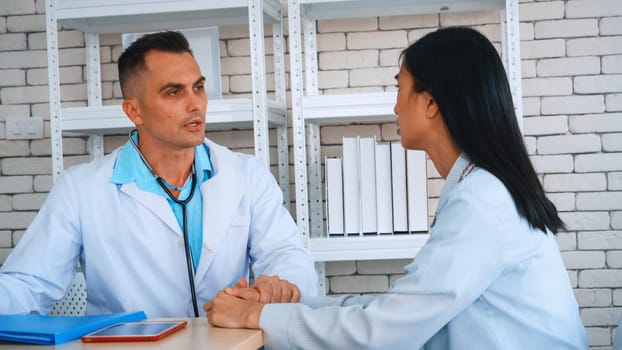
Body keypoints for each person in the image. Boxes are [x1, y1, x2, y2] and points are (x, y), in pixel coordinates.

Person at [204, 26, 588, 349]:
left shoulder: (481, 200)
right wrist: (290, 307)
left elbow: (385, 331)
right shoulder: (480, 187)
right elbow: (399, 309)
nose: (394, 108)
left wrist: (257, 315)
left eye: (400, 88)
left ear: (432, 102)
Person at [0, 31, 317, 317]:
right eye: (174, 92)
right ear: (133, 111)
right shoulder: (80, 190)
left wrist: (276, 285)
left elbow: (286, 256)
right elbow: (28, 284)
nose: (195, 105)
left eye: (199, 87)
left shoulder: (247, 176)